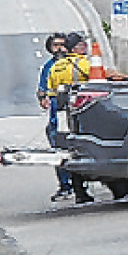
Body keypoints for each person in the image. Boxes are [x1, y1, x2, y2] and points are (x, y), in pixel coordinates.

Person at [45, 32, 96, 203]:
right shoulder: (84, 64)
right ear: (76, 47)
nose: (86, 48)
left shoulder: (55, 67)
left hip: (61, 118)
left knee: (66, 152)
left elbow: (50, 92)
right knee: (84, 151)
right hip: (82, 115)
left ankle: (74, 189)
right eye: (83, 45)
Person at [35, 32, 81, 201]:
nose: (60, 48)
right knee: (59, 152)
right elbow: (41, 90)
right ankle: (65, 186)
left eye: (63, 44)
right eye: (56, 45)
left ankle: (80, 188)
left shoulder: (77, 63)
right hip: (58, 116)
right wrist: (43, 99)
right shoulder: (48, 68)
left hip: (78, 115)